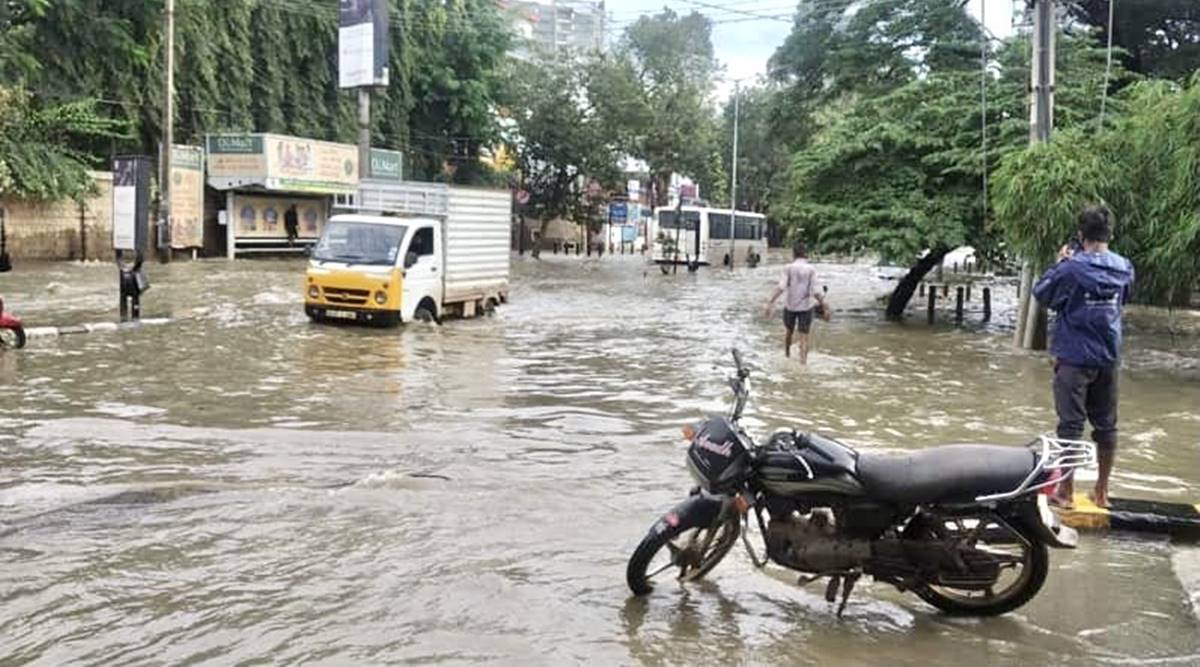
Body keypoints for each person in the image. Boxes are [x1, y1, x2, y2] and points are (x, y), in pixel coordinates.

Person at [1033, 204, 1135, 509]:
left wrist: (1059, 263)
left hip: (1074, 356)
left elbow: (1042, 294)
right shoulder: (1124, 267)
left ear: (1081, 234)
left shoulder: (1070, 268)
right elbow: (1124, 299)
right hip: (1108, 355)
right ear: (1110, 234)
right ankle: (1102, 492)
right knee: (1107, 426)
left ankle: (1065, 491)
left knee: (1070, 426)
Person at [765, 241, 826, 363]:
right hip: (805, 307)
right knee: (804, 337)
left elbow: (781, 287)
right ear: (805, 254)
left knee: (789, 332)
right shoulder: (811, 269)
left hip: (790, 307)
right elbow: (815, 291)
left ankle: (787, 355)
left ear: (793, 253)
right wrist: (824, 304)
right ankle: (803, 363)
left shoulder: (788, 268)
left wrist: (770, 302)